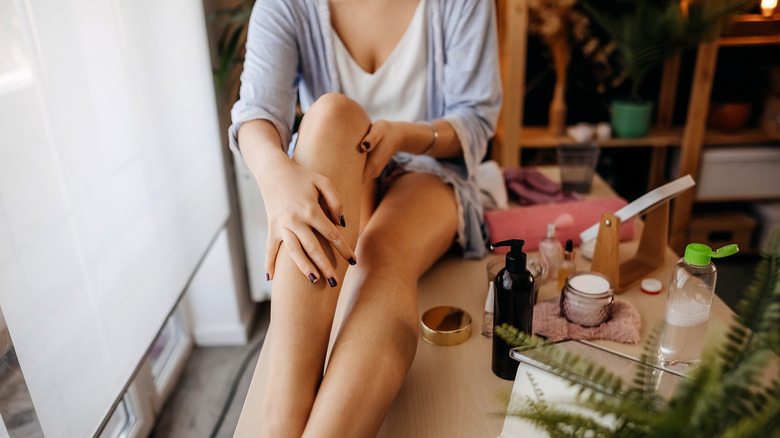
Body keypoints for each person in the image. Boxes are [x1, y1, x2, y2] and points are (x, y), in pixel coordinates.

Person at [229, 0, 501, 435]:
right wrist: (276, 177)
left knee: (379, 252)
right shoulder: (287, 5)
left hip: (426, 170)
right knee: (333, 112)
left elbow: (476, 121)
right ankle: (279, 420)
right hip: (339, 167)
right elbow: (256, 112)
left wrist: (404, 135)